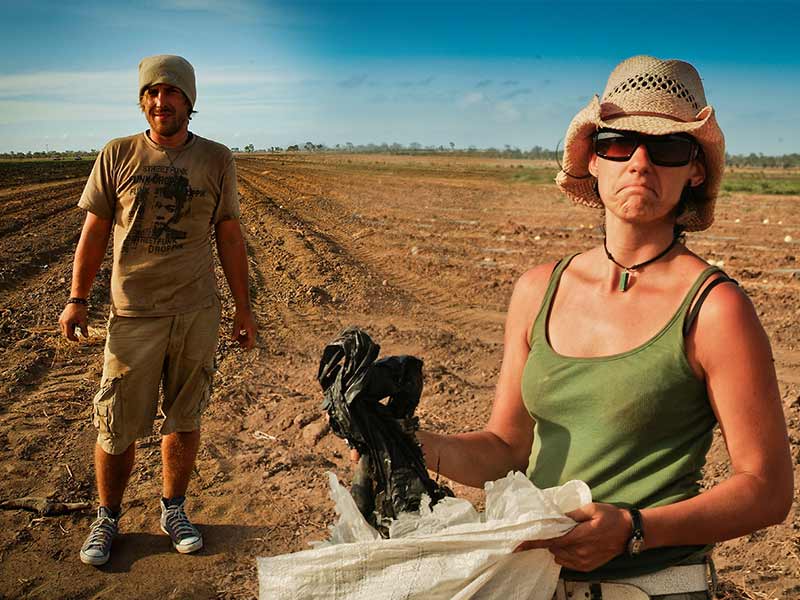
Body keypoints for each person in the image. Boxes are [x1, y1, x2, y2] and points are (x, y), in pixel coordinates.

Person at [413, 56, 793, 599]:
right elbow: (505, 448)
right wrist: (415, 446)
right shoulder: (537, 290)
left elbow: (767, 490)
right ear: (593, 159)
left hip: (652, 588)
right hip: (536, 586)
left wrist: (635, 531)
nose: (640, 163)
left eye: (666, 149)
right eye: (618, 143)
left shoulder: (714, 308)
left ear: (695, 170)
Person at [58, 54, 257, 566]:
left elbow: (229, 234)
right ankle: (107, 518)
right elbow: (95, 232)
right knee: (118, 422)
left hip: (195, 312)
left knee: (185, 418)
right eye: (151, 94)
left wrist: (243, 309)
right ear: (142, 101)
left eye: (171, 94)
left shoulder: (216, 159)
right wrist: (77, 298)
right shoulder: (118, 154)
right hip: (133, 313)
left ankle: (174, 509)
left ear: (190, 103)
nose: (160, 102)